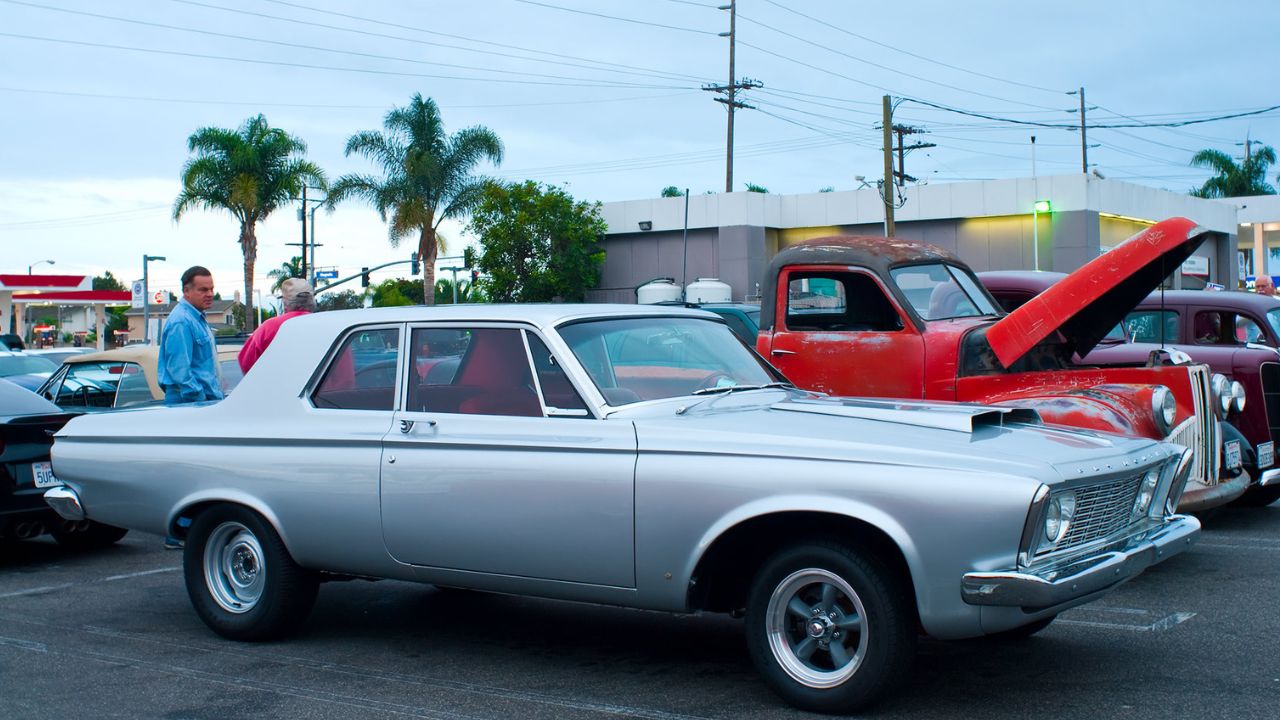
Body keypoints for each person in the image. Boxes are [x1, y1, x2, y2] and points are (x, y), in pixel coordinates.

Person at [158, 266, 224, 405]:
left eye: (212, 289)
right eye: (203, 290)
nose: (210, 294)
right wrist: (201, 399)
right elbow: (180, 372)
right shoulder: (181, 322)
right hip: (189, 404)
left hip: (198, 403)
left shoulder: (196, 318)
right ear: (186, 291)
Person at [238, 277, 316, 373]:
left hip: (275, 386)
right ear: (312, 300)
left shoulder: (269, 328)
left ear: (285, 302)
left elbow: (246, 363)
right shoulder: (325, 325)